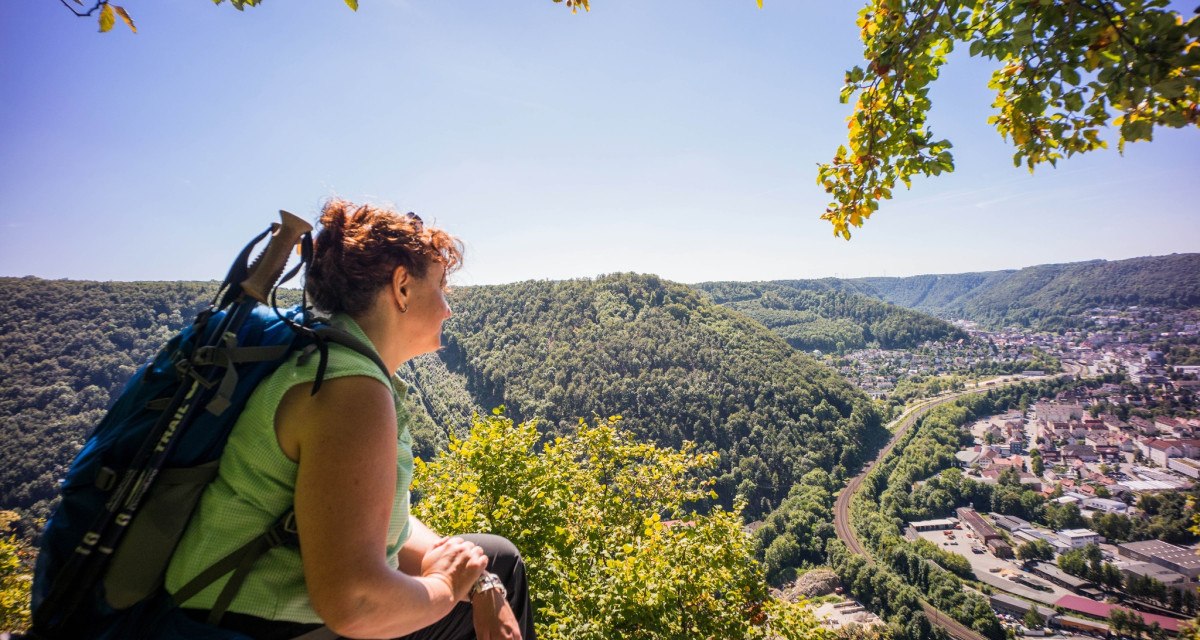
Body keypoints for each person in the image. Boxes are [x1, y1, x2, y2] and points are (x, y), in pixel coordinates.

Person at [165, 200, 531, 640]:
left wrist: (477, 578)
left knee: (497, 561)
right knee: (499, 570)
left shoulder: (331, 359)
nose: (447, 308)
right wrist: (447, 586)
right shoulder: (350, 392)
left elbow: (380, 520)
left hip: (234, 611)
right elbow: (356, 605)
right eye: (440, 286)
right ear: (402, 287)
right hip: (257, 626)